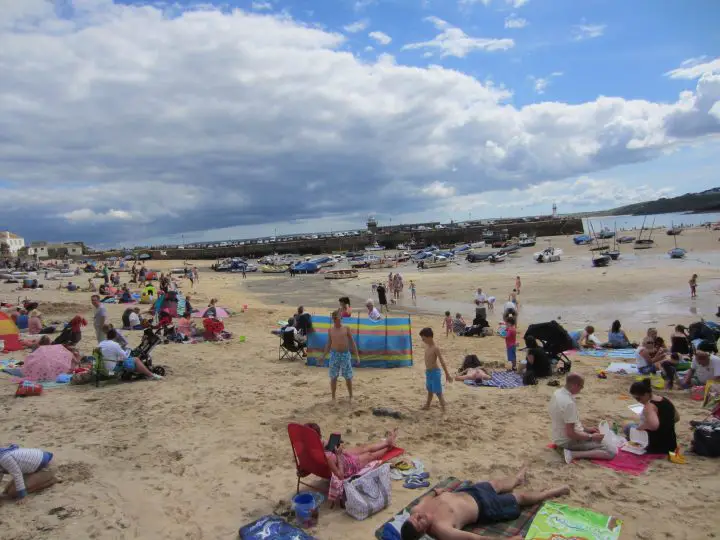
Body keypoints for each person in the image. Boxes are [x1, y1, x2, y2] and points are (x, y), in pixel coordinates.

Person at [400, 465, 569, 540]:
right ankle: (552, 492)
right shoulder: (442, 530)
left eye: (414, 517)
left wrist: (439, 492)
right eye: (420, 522)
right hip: (485, 507)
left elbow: (429, 496)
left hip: (469, 493)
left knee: (497, 483)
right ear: (424, 532)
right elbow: (474, 539)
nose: (419, 516)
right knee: (521, 498)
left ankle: (517, 478)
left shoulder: (418, 508)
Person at [549, 373, 616, 463]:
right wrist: (591, 437)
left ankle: (573, 451)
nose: (582, 388)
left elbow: (569, 421)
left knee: (600, 438)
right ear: (575, 385)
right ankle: (572, 454)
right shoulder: (569, 403)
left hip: (558, 436)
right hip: (567, 441)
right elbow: (571, 433)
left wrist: (587, 429)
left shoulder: (557, 393)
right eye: (581, 386)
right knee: (611, 451)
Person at [305, 423, 398, 481]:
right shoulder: (328, 457)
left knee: (364, 448)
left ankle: (386, 442)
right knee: (370, 455)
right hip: (348, 466)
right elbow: (340, 477)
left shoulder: (307, 450)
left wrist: (331, 446)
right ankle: (388, 448)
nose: (322, 440)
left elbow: (307, 469)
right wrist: (338, 456)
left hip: (341, 456)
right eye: (319, 437)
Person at [625, 379, 679, 454]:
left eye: (638, 398)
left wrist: (640, 427)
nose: (638, 401)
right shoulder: (665, 400)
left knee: (629, 426)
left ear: (646, 394)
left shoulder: (649, 406)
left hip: (655, 446)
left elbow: (654, 426)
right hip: (671, 444)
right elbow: (676, 418)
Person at [319, 310, 360, 402]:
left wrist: (357, 356)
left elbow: (353, 343)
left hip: (345, 354)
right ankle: (333, 397)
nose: (334, 319)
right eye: (333, 317)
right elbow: (328, 344)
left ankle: (351, 396)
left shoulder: (346, 328)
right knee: (333, 376)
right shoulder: (331, 330)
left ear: (340, 318)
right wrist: (323, 356)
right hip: (334, 355)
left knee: (348, 376)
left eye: (336, 317)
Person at [98, 329, 162, 380]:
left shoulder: (101, 344)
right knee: (136, 360)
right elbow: (125, 357)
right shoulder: (115, 345)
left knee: (127, 360)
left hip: (102, 368)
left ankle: (142, 372)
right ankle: (151, 375)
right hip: (111, 369)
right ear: (115, 337)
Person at [419, 327, 452, 411]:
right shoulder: (427, 347)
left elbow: (442, 362)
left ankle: (444, 408)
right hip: (428, 372)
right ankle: (427, 405)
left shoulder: (435, 348)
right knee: (430, 390)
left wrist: (447, 374)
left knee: (438, 392)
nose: (422, 340)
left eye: (424, 338)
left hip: (435, 372)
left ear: (429, 337)